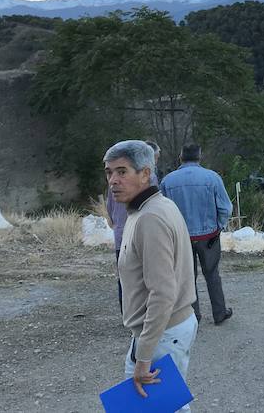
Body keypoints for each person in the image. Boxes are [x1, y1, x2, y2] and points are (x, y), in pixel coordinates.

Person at [103, 139, 197, 409]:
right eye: (109, 172)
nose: (113, 180)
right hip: (161, 331)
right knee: (164, 407)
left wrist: (143, 356)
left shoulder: (150, 217)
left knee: (156, 407)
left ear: (145, 173)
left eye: (122, 171)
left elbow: (163, 292)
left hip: (162, 333)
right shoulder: (147, 209)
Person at [160, 143, 234, 326]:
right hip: (209, 236)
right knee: (212, 274)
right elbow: (225, 208)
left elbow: (162, 211)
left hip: (181, 237)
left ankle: (193, 316)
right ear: (199, 156)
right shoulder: (212, 178)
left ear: (180, 157)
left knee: (186, 277)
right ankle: (219, 313)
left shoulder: (168, 181)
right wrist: (219, 226)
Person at [106, 139, 161, 311]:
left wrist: (116, 223)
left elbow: (109, 208)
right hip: (137, 235)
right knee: (141, 276)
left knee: (125, 276)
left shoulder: (115, 181)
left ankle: (127, 311)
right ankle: (138, 313)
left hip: (121, 234)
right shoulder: (149, 179)